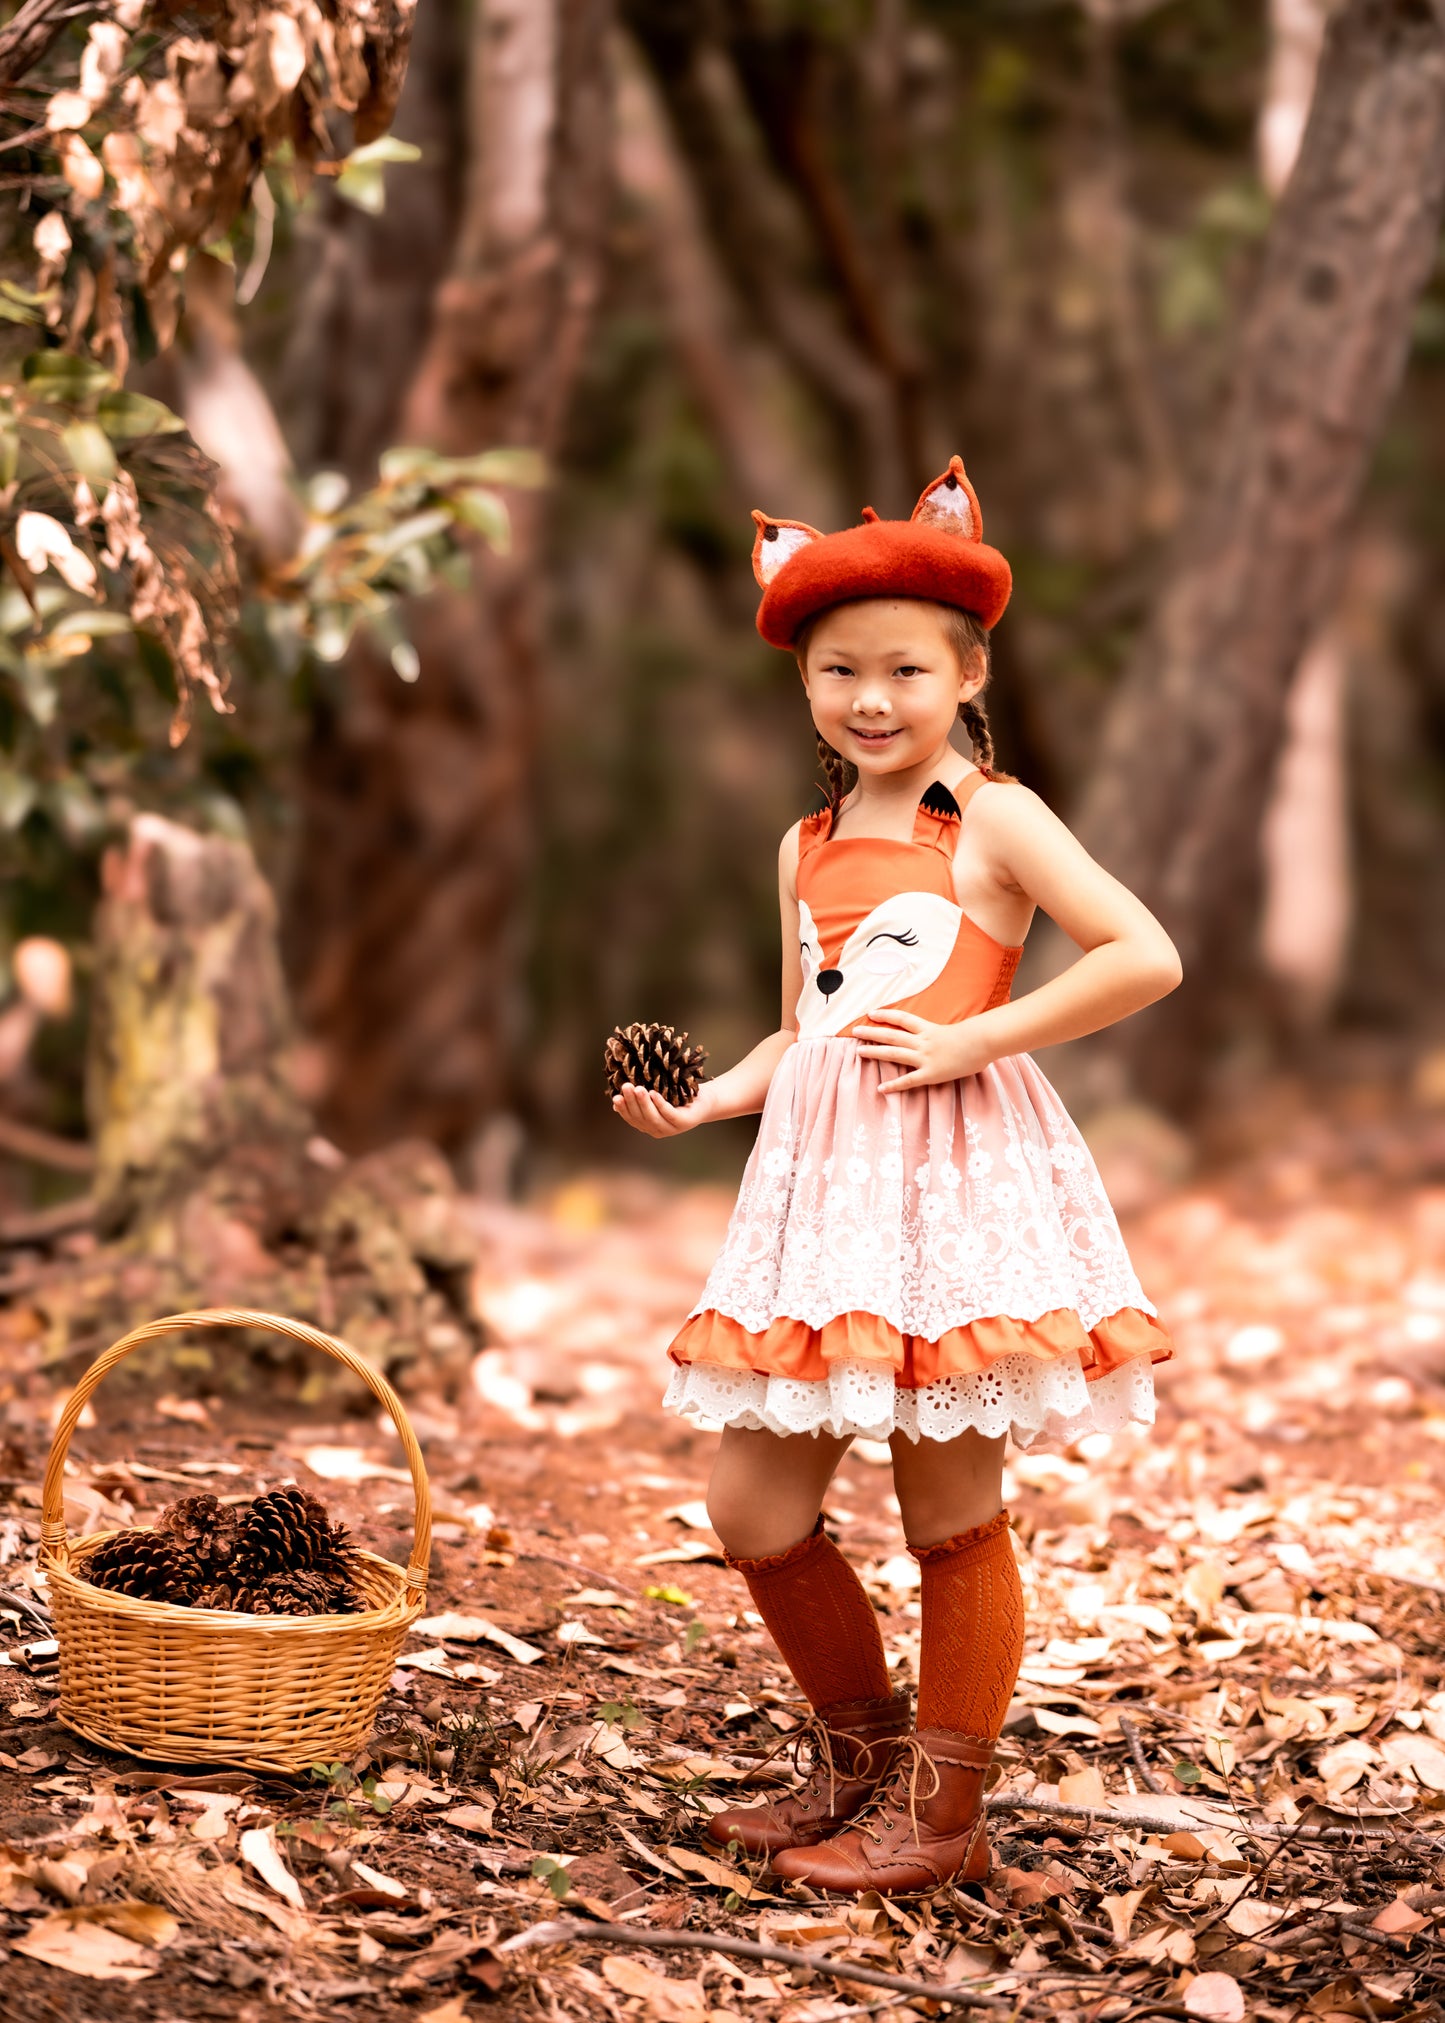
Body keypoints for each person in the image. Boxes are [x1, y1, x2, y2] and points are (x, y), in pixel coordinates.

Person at [611, 457, 1179, 1895]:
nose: (870, 698)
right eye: (837, 671)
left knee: (947, 1512)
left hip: (950, 1187)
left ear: (967, 669)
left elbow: (1139, 954)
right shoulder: (801, 846)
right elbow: (800, 1023)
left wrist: (975, 1032)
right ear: (803, 685)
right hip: (821, 1206)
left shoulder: (992, 818)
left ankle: (941, 1814)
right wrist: (705, 1103)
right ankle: (855, 1760)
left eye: (903, 668)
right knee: (752, 1511)